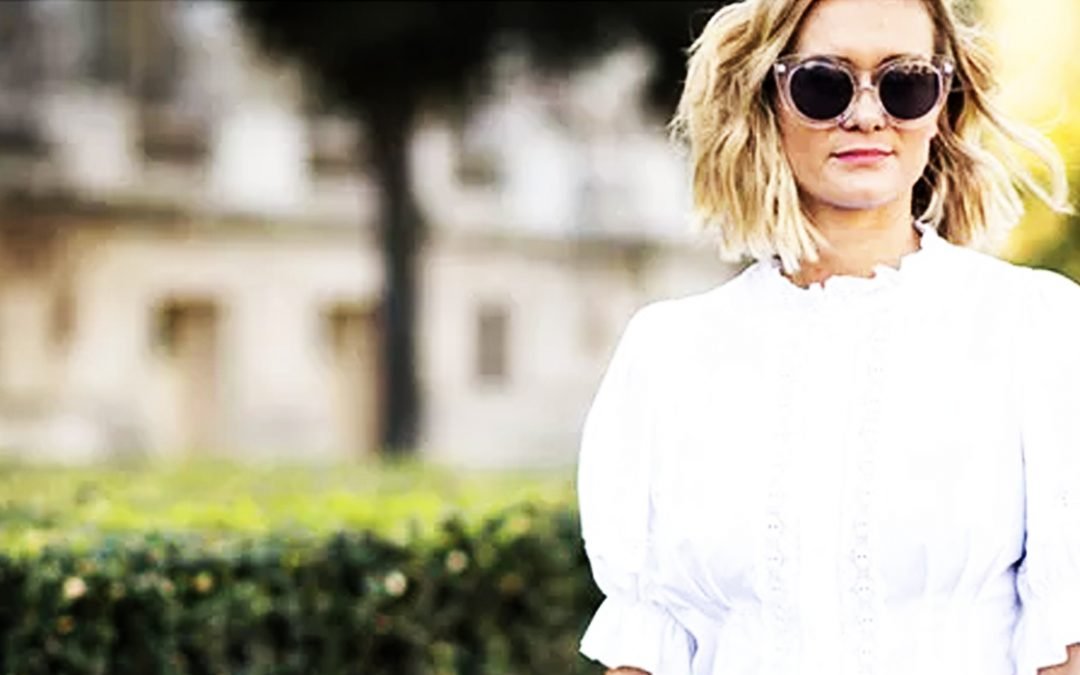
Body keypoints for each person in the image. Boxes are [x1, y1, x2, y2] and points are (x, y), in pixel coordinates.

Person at [575, 0, 1080, 674]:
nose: (867, 115)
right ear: (766, 99)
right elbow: (647, 645)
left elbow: (1067, 641)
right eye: (824, 83)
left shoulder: (1036, 330)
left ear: (943, 104)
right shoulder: (669, 355)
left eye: (905, 83)